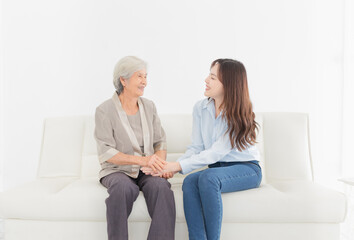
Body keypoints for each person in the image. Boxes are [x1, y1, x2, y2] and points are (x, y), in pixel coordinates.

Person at [143, 58, 262, 240]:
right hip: (217, 169)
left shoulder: (239, 112)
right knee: (190, 182)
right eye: (209, 75)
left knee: (208, 177)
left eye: (213, 78)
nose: (206, 80)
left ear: (228, 83)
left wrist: (176, 167)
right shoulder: (201, 108)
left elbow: (216, 152)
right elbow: (197, 147)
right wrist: (172, 166)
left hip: (247, 169)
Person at [94, 56, 175, 240]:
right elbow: (107, 151)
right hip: (117, 170)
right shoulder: (104, 111)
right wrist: (143, 160)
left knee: (161, 188)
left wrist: (159, 165)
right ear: (123, 80)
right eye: (140, 77)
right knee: (122, 188)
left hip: (147, 169)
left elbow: (159, 141)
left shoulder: (149, 107)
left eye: (146, 76)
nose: (145, 82)